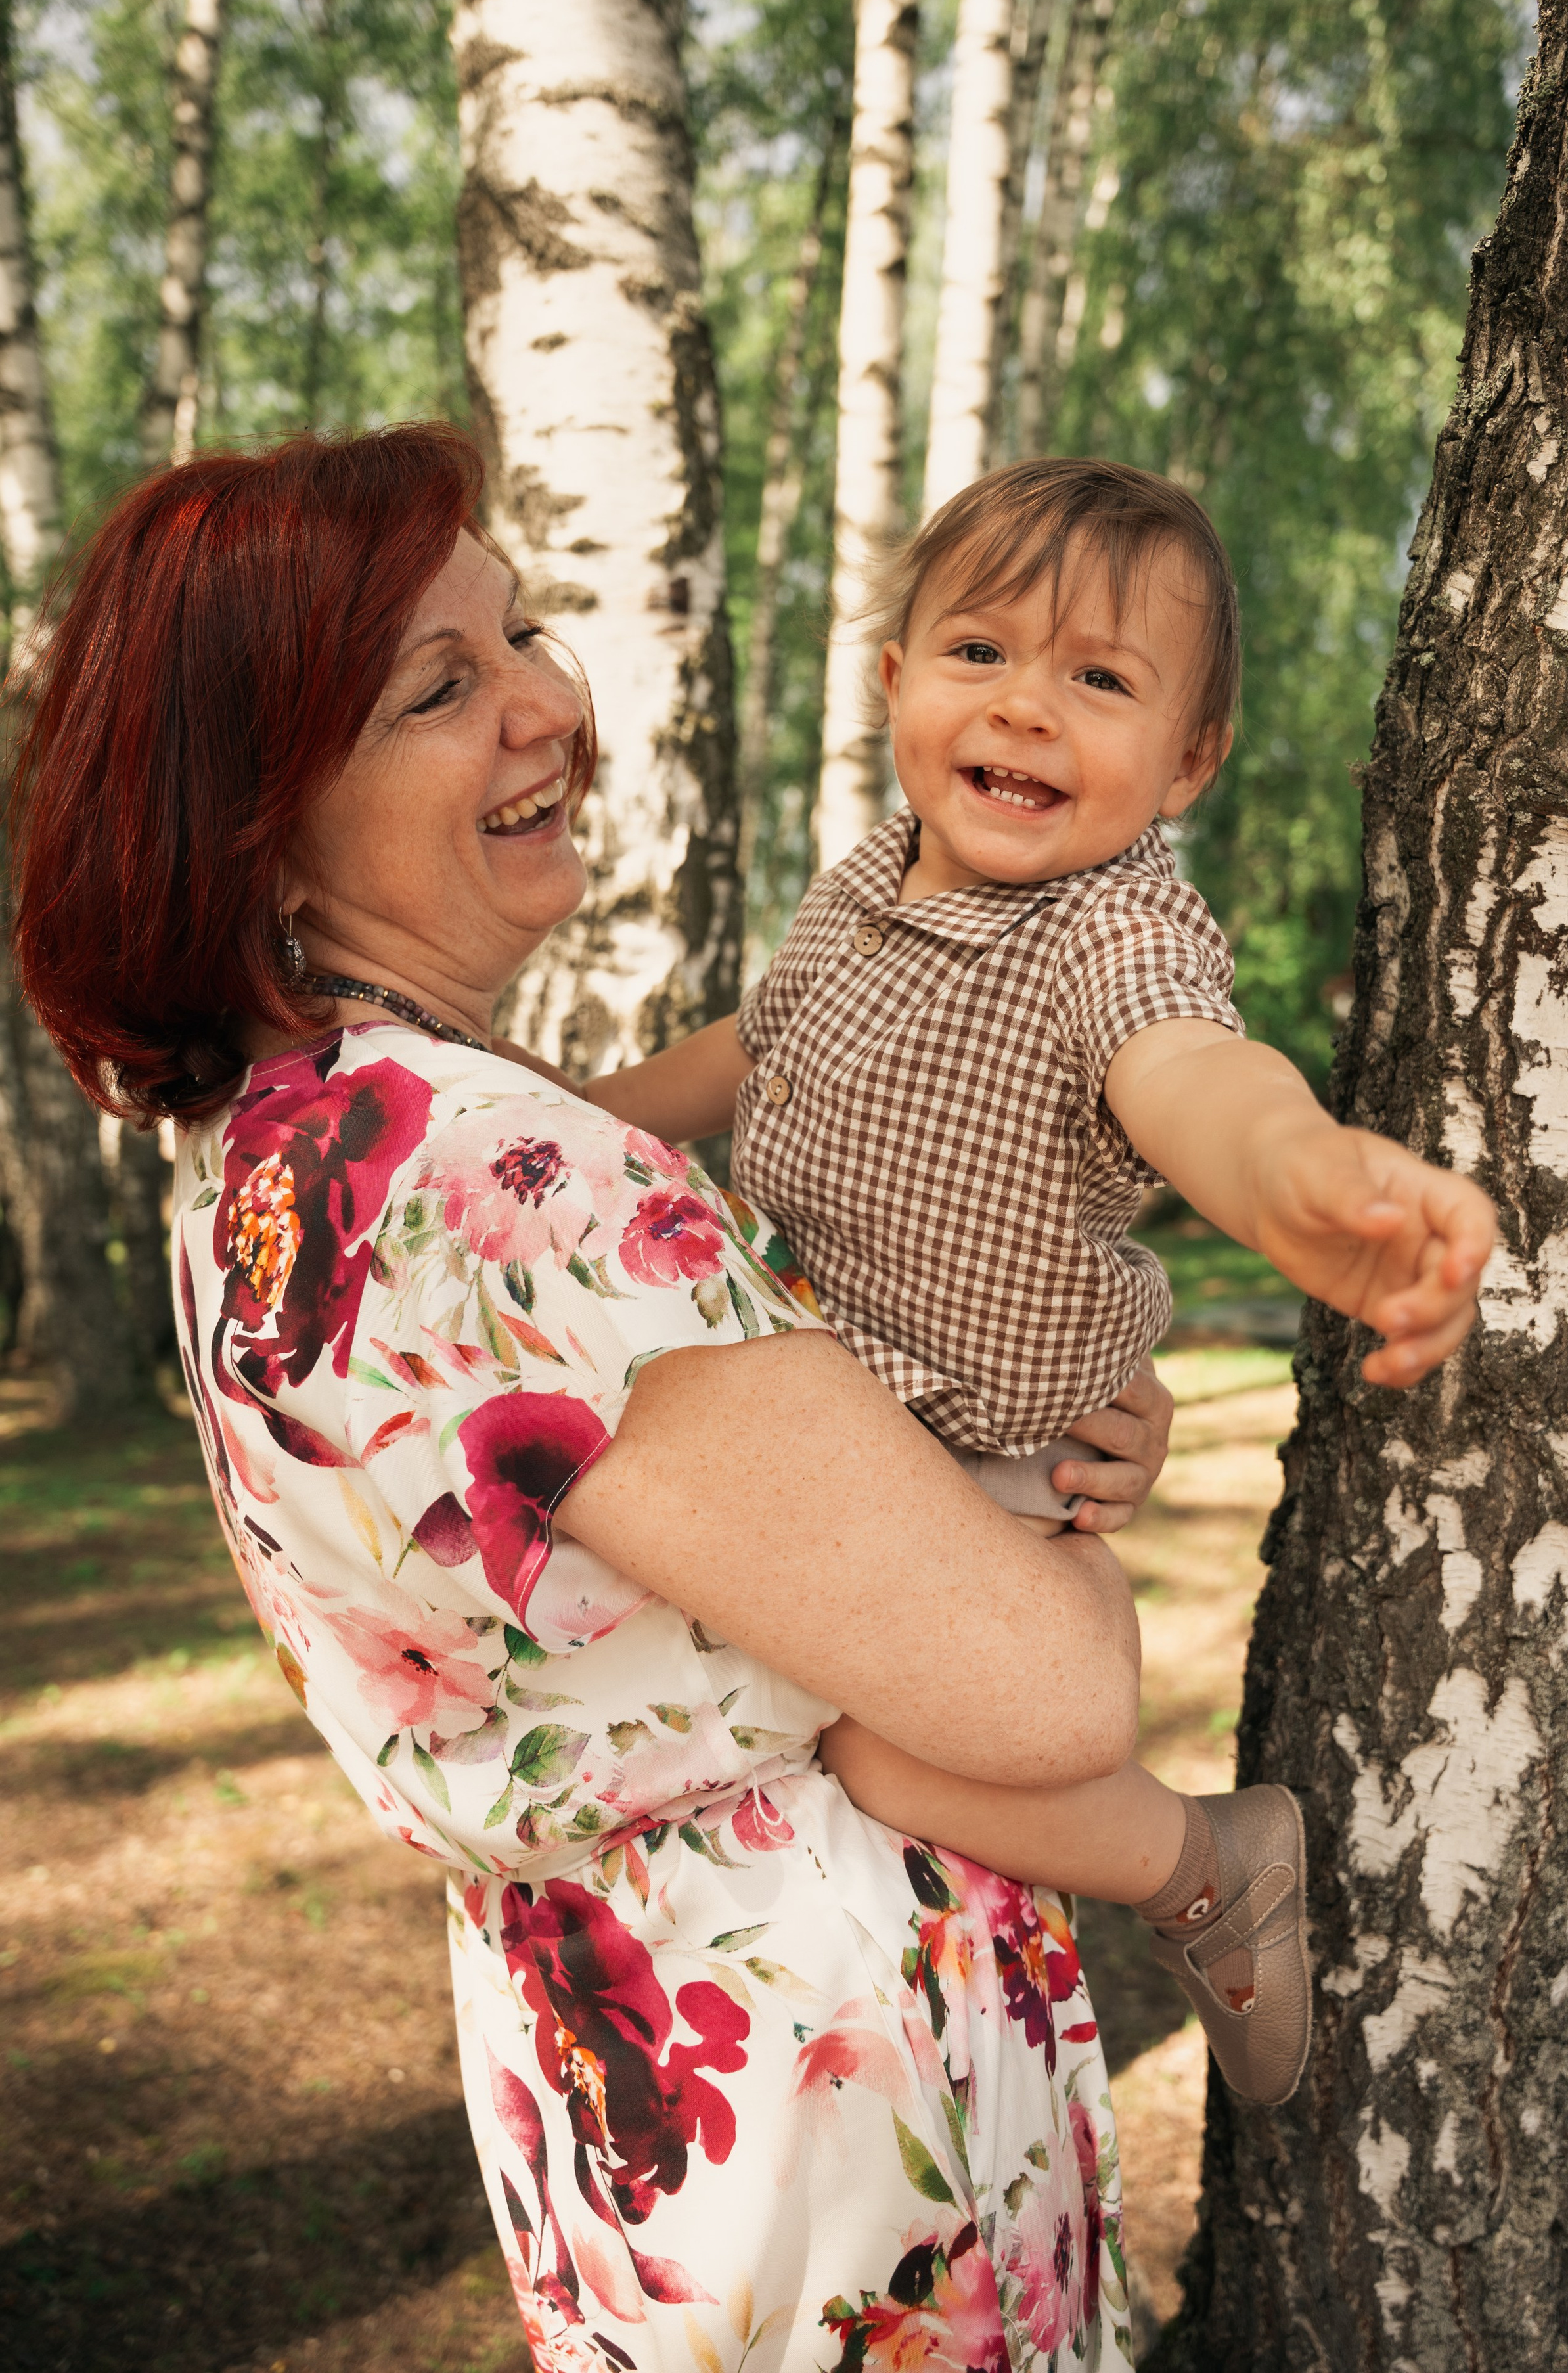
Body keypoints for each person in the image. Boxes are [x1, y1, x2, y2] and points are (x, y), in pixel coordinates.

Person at [11, 425, 1180, 2373]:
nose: (556, 703)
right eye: (442, 686)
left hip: (623, 2086)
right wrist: (1041, 1514)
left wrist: (995, 1397)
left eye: (526, 630)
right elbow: (1049, 1695)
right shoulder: (490, 1171)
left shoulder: (276, 1160)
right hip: (815, 2129)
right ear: (260, 810)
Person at [569, 459, 1496, 2109]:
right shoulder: (862, 885)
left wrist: (1291, 1181)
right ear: (894, 682)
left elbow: (1191, 1070)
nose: (1027, 709)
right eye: (980, 652)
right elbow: (754, 1043)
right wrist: (572, 1118)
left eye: (1100, 679)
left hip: (985, 1463)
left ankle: (1206, 1867)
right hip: (836, 1437)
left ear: (1187, 760)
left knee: (879, 1744)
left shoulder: (1105, 930)